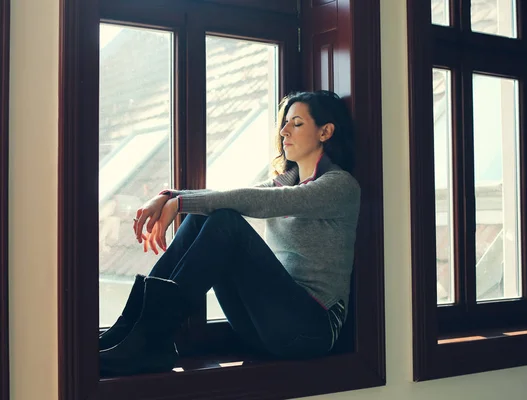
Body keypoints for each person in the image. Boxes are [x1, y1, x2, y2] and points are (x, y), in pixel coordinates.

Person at [98, 90, 361, 376]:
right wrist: (169, 196)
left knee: (225, 221)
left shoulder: (340, 186)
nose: (284, 131)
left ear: (325, 131)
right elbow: (229, 196)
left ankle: (151, 339)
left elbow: (261, 201)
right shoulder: (285, 184)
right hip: (264, 328)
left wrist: (180, 202)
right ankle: (129, 329)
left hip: (312, 331)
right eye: (284, 123)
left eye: (296, 123)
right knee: (205, 218)